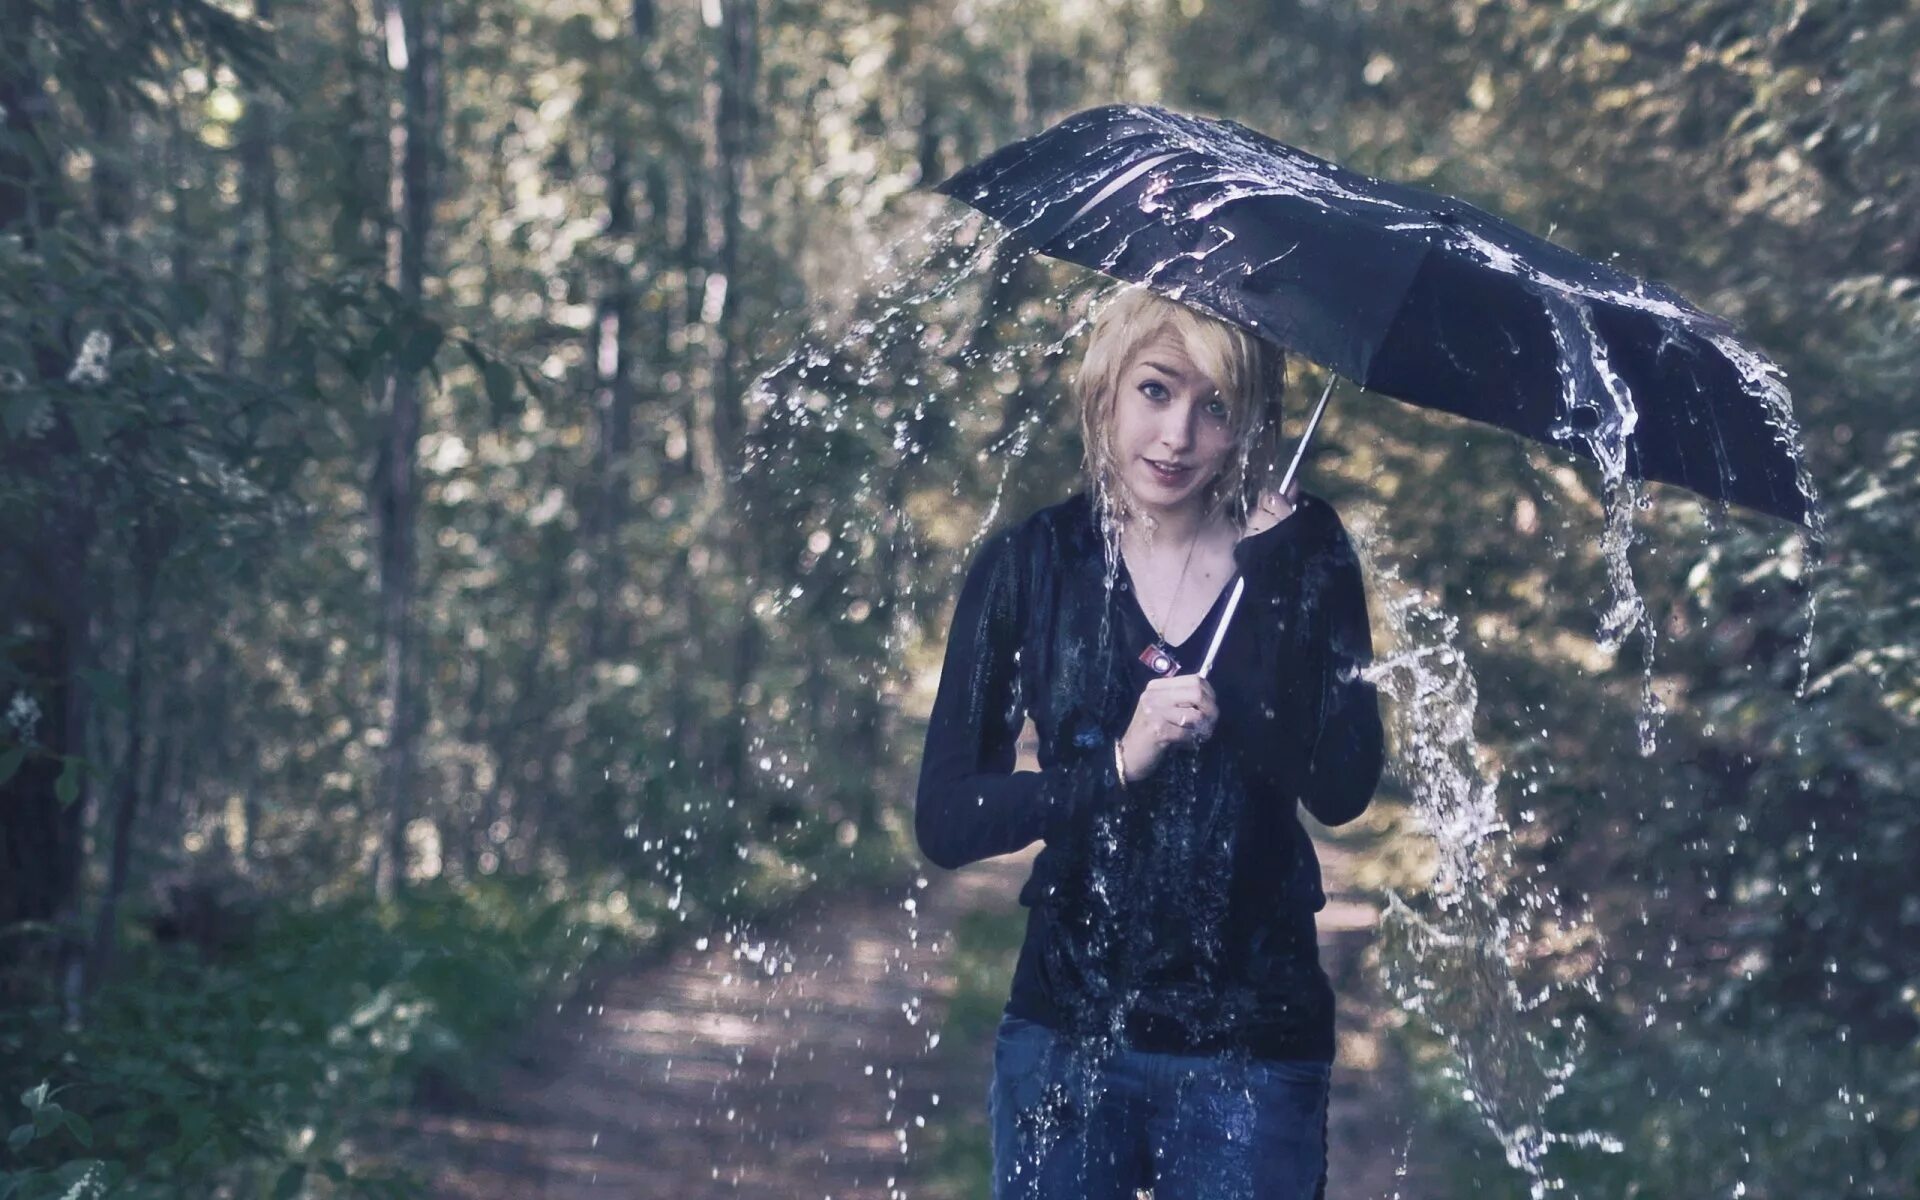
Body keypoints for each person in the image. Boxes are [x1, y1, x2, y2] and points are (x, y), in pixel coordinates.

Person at [914, 285, 1385, 1200]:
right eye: (1158, 391)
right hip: (1066, 1037)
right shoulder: (1034, 565)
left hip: (1254, 1050)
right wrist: (1117, 765)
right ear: (1106, 391)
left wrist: (1273, 590)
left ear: (1250, 419)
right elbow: (947, 817)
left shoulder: (1304, 552)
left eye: (1216, 407)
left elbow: (1341, 787)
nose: (1178, 437)